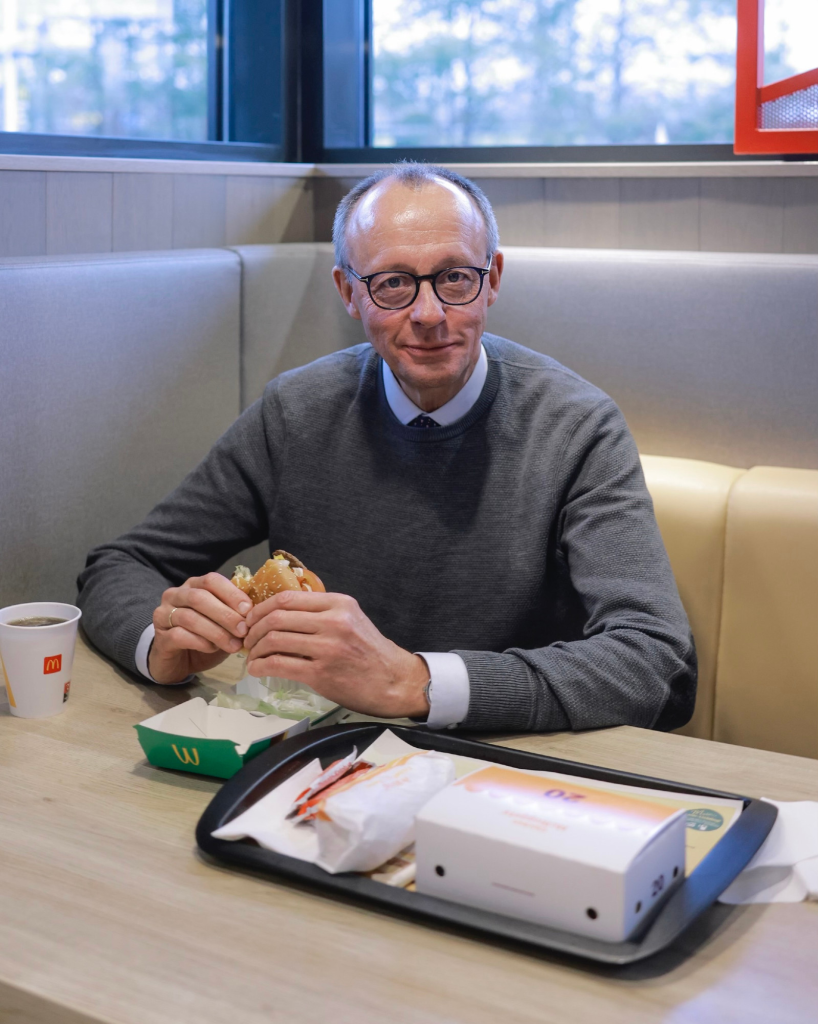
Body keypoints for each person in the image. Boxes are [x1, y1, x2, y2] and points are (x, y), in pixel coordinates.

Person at [77, 162, 696, 733]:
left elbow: (652, 658)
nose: (429, 313)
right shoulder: (295, 412)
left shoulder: (577, 427)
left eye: (455, 277)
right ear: (349, 292)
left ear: (492, 280)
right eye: (394, 283)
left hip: (509, 763)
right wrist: (165, 648)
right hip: (315, 754)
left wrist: (415, 682)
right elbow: (118, 566)